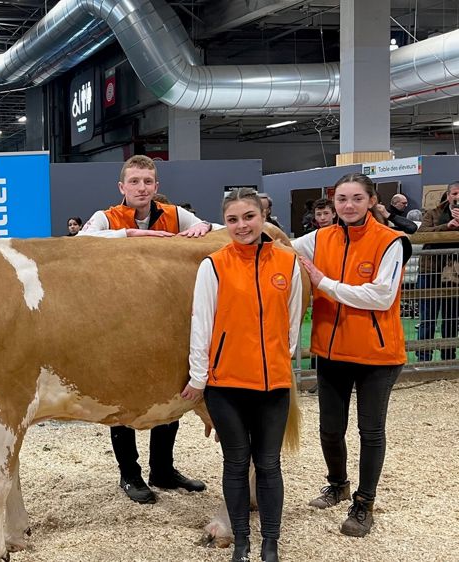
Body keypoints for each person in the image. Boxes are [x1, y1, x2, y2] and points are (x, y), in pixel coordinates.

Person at [79, 154, 209, 504]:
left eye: (147, 182)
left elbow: (213, 228)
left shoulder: (175, 214)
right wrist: (131, 233)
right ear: (122, 187)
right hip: (119, 321)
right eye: (134, 182)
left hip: (165, 320)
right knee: (122, 395)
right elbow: (80, 241)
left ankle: (162, 469)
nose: (141, 188)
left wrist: (203, 228)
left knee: (169, 391)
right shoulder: (105, 217)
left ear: (156, 186)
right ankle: (129, 474)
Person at [184, 188, 302, 562]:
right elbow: (201, 324)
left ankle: (270, 544)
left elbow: (293, 323)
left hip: (273, 385)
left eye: (249, 216)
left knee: (268, 465)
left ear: (263, 216)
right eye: (232, 219)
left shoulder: (288, 263)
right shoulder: (213, 265)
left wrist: (280, 360)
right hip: (227, 386)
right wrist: (199, 377)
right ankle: (241, 544)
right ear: (225, 223)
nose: (242, 225)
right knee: (235, 465)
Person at [294, 172, 411, 538]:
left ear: (372, 200)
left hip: (378, 355)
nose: (348, 205)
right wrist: (205, 227)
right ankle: (338, 484)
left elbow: (381, 296)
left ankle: (364, 503)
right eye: (342, 199)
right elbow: (276, 243)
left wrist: (324, 283)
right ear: (333, 202)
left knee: (370, 431)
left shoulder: (391, 241)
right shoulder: (319, 238)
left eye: (357, 198)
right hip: (331, 351)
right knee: (330, 429)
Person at [415, 182, 459, 361]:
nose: (458, 197)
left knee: (451, 318)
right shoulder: (432, 213)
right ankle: (423, 357)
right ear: (448, 196)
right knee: (428, 318)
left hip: (455, 274)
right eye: (455, 193)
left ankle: (448, 356)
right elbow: (421, 234)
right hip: (430, 270)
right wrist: (446, 226)